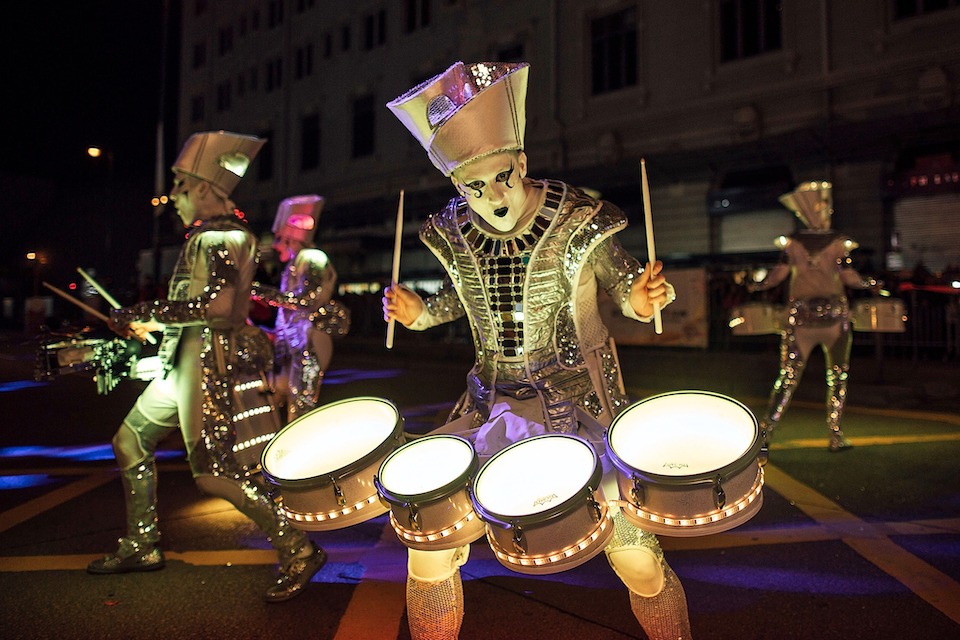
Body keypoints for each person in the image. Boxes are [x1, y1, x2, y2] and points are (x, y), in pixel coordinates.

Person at [384, 61, 691, 640]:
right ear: (457, 187)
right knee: (429, 549)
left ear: (521, 162)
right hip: (489, 406)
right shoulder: (452, 231)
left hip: (582, 407)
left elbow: (625, 284)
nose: (492, 195)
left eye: (501, 176)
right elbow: (457, 300)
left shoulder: (578, 218)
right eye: (473, 186)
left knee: (637, 560)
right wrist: (418, 312)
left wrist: (644, 296)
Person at [86, 131, 326, 603]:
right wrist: (156, 326)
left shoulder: (219, 235)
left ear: (201, 187)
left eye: (179, 184)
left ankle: (299, 547)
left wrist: (144, 312)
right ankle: (141, 544)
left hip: (205, 363)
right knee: (130, 440)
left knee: (214, 473)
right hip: (183, 360)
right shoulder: (215, 235)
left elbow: (216, 307)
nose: (173, 195)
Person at [747, 180, 880, 455]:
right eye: (823, 206)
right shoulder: (836, 243)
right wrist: (868, 284)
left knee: (788, 378)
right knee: (837, 377)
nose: (826, 211)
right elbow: (848, 276)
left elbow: (778, 275)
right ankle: (834, 434)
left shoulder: (794, 244)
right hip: (831, 319)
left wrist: (759, 284)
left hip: (804, 320)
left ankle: (767, 433)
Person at [252, 194, 350, 422]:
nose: (275, 246)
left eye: (278, 239)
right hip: (295, 345)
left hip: (310, 342)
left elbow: (305, 300)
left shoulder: (312, 257)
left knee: (300, 408)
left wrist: (259, 292)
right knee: (283, 400)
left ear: (290, 239)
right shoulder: (294, 264)